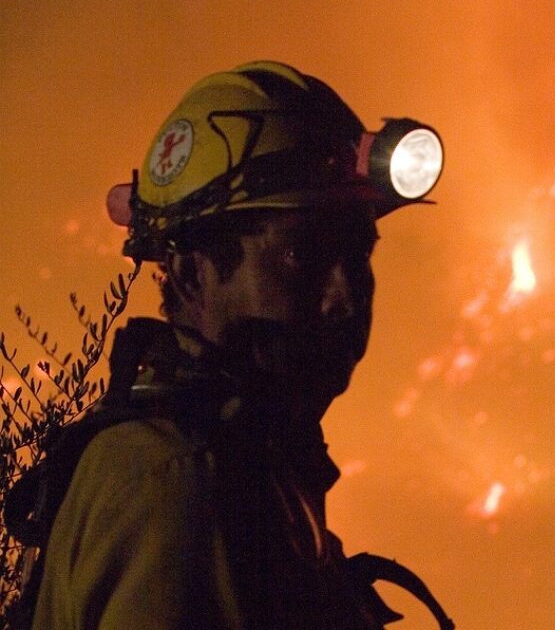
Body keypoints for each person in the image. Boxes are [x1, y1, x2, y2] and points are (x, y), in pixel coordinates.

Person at [23, 60, 448, 630]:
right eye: (304, 253)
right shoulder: (178, 487)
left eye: (358, 252)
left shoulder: (246, 469)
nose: (345, 295)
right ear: (193, 270)